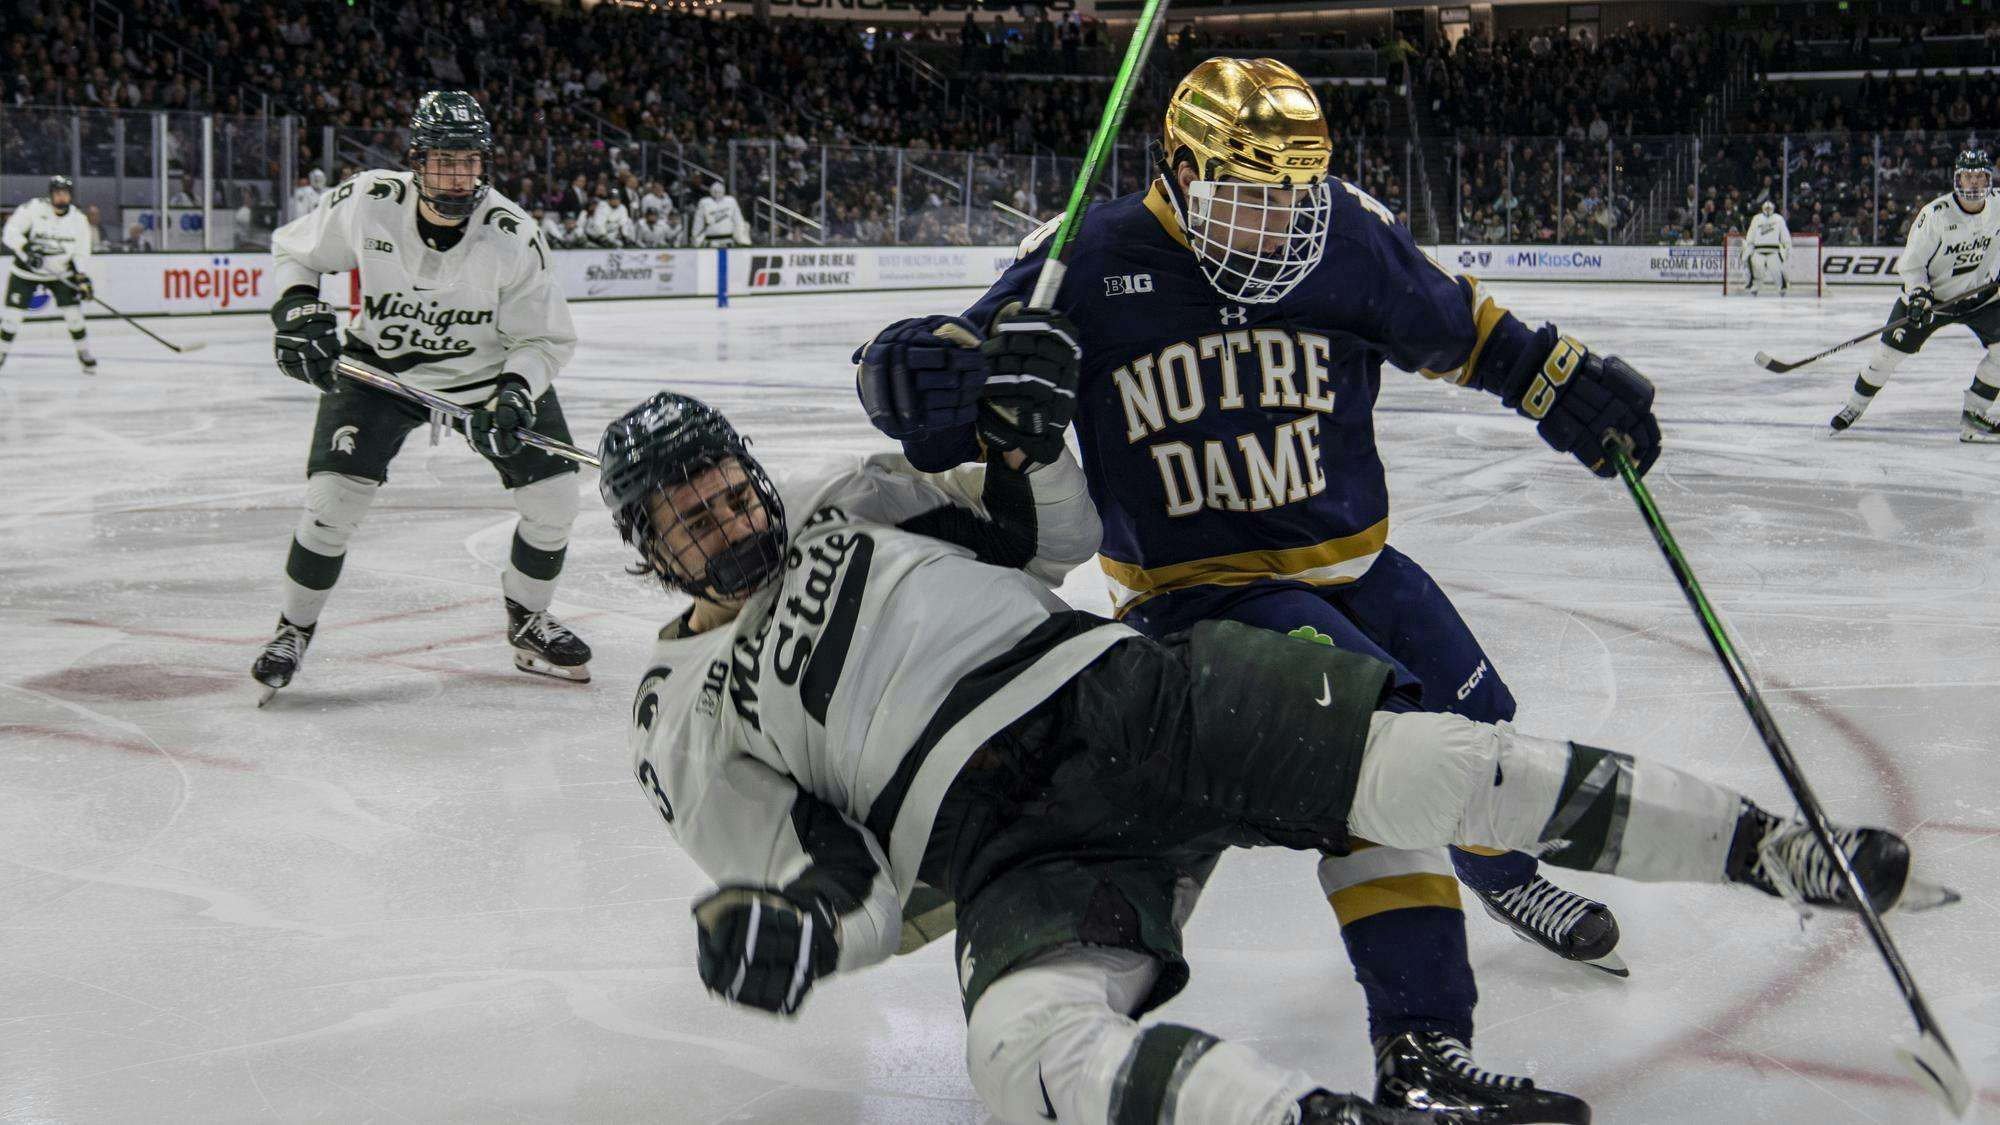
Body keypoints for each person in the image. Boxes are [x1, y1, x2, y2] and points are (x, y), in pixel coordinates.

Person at [605, 391, 1936, 1125]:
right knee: (1019, 1056)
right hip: (1005, 851)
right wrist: (799, 941)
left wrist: (1014, 426)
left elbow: (1060, 521)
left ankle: (1773, 851)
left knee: (1422, 765)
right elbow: (832, 885)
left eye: (731, 488)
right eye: (692, 515)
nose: (728, 518)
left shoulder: (859, 500)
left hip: (1119, 697)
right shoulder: (680, 707)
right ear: (648, 550)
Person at [858, 56, 1665, 1118]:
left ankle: (1502, 874)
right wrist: (913, 374)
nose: (1280, 223)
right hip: (1199, 595)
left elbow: (1464, 331)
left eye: (1294, 194)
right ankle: (1419, 1046)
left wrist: (1562, 383)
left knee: (1484, 726)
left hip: (1356, 564)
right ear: (1180, 170)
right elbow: (961, 377)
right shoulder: (1091, 260)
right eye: (1249, 194)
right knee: (1393, 753)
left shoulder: (1341, 230)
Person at [249, 90, 591, 703]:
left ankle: (528, 620)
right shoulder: (368, 201)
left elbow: (542, 337)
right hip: (378, 371)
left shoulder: (513, 233)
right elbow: (295, 252)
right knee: (330, 506)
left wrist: (515, 395)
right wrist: (297, 307)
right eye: (443, 160)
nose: (457, 176)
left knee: (555, 500)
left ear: (485, 164)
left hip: (485, 377)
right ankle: (292, 628)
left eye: (469, 162)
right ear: (417, 161)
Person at [1830, 147, 2000, 442]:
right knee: (1886, 357)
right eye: (1968, 176)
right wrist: (1920, 295)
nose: (1974, 183)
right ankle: (1854, 406)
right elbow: (1911, 264)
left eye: (1979, 177)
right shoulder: (1935, 215)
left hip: (1979, 296)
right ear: (1957, 179)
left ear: (1989, 180)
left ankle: (1974, 417)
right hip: (1933, 301)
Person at [1, 175, 99, 375]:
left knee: (74, 316)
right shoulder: (33, 209)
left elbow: (81, 251)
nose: (61, 197)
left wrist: (81, 277)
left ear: (70, 196)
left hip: (60, 273)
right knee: (12, 317)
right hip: (26, 272)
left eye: (65, 193)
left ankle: (84, 352)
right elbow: (10, 232)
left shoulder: (78, 220)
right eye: (57, 193)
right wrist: (26, 248)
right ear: (51, 195)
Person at [1740, 201, 1793, 295]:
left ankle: (1781, 287)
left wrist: (1787, 244)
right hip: (1758, 249)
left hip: (1774, 250)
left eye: (1769, 208)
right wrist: (1749, 243)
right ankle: (1756, 287)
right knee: (1757, 270)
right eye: (1766, 208)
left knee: (1776, 270)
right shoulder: (1757, 218)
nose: (1768, 210)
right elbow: (1751, 232)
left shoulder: (1778, 219)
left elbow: (1784, 232)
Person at [690, 180, 750, 247]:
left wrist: (741, 239)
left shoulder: (731, 201)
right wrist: (696, 238)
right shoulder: (704, 203)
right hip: (710, 241)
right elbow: (698, 223)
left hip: (728, 240)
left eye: (719, 191)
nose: (717, 193)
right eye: (715, 191)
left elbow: (738, 221)